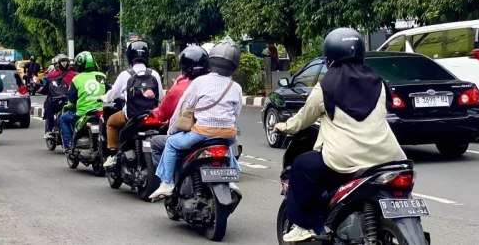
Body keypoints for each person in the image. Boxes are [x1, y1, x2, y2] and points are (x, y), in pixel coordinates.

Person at [274, 28, 406, 242]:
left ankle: (304, 225)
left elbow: (303, 120)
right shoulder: (378, 83)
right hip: (387, 158)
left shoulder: (325, 86)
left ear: (329, 56)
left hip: (344, 160)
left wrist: (284, 126)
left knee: (301, 165)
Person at [150, 39, 243, 200]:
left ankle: (166, 183)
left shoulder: (199, 82)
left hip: (201, 133)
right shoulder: (236, 87)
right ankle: (231, 179)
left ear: (211, 60)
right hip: (228, 135)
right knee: (226, 147)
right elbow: (236, 114)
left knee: (171, 143)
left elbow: (182, 108)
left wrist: (171, 132)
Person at [102, 40, 163, 168]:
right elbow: (161, 96)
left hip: (131, 116)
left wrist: (104, 98)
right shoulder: (155, 74)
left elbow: (113, 94)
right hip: (153, 116)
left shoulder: (125, 75)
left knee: (111, 122)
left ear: (130, 56)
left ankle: (112, 155)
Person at [148, 45, 210, 167]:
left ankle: (165, 180)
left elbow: (165, 114)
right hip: (216, 133)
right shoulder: (216, 86)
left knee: (155, 143)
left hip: (191, 135)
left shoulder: (179, 89)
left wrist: (169, 131)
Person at [60, 51, 106, 150]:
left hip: (82, 114)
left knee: (63, 118)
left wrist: (68, 106)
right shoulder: (101, 76)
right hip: (101, 112)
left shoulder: (76, 79)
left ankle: (69, 146)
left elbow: (72, 101)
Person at [39, 54, 77, 138]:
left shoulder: (51, 75)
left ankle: (50, 130)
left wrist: (39, 91)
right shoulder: (75, 75)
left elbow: (46, 88)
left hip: (56, 101)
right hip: (72, 100)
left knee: (48, 109)